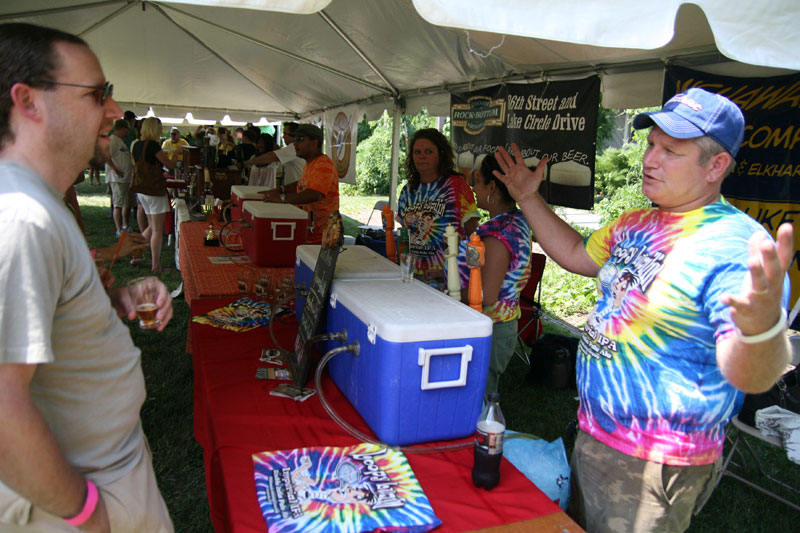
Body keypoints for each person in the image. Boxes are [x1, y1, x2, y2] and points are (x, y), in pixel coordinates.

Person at [493, 87, 794, 532]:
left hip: (656, 461)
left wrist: (759, 332)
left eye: (670, 151)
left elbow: (751, 376)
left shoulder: (732, 247)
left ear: (716, 166)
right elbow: (577, 253)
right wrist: (528, 198)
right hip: (596, 433)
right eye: (651, 144)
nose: (650, 159)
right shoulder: (638, 222)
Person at [0, 22, 174, 532]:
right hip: (81, 493)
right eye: (98, 93)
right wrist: (87, 513)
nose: (115, 111)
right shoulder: (21, 219)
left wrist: (117, 297)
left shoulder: (35, 205)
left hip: (104, 469)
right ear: (28, 101)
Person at [455, 154, 531, 396]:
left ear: (492, 187)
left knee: (478, 403)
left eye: (477, 182)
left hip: (491, 328)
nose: (473, 189)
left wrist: (447, 292)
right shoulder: (512, 221)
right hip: (494, 325)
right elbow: (476, 268)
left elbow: (486, 295)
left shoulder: (499, 234)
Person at [397, 128, 479, 277]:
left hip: (448, 277)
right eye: (417, 152)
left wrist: (467, 273)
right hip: (413, 274)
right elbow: (404, 235)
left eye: (428, 152)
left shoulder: (456, 186)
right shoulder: (407, 191)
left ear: (440, 155)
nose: (422, 156)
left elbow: (474, 235)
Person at [260, 124, 339, 244]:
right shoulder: (310, 163)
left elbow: (315, 194)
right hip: (309, 233)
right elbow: (302, 184)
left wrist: (282, 199)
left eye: (299, 140)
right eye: (295, 140)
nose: (295, 144)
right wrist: (280, 190)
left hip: (323, 238)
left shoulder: (324, 165)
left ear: (314, 143)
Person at [130, 116, 179, 272]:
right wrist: (177, 154)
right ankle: (156, 265)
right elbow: (170, 165)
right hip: (154, 189)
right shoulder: (153, 145)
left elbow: (135, 163)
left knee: (152, 226)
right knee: (157, 229)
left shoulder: (137, 145)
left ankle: (136, 253)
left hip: (141, 189)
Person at [245, 121, 304, 186]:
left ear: (293, 135)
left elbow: (271, 156)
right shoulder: (293, 148)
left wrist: (249, 162)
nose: (283, 137)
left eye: (285, 134)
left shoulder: (293, 148)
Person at [105, 118, 134, 236]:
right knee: (119, 204)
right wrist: (116, 170)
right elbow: (106, 157)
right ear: (122, 129)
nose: (128, 132)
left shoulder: (120, 141)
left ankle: (125, 225)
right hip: (117, 178)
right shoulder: (113, 140)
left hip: (124, 178)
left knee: (126, 203)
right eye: (127, 129)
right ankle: (119, 229)